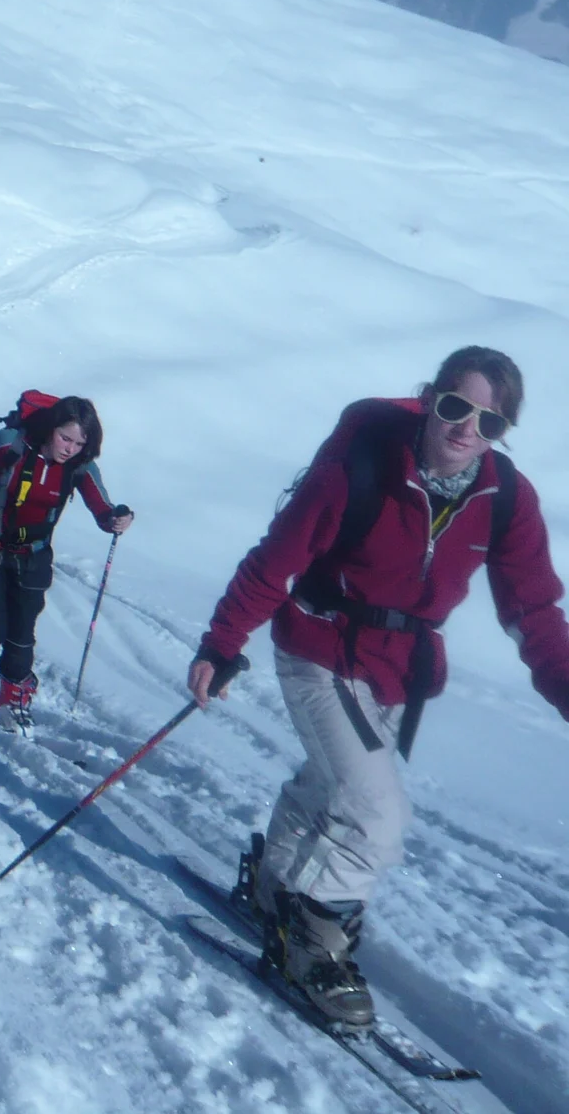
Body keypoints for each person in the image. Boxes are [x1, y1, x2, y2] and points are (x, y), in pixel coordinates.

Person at [188, 347, 569, 1027]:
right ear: (430, 400)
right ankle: (313, 941)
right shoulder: (356, 469)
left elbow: (534, 611)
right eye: (456, 407)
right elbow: (276, 562)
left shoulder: (506, 499)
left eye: (489, 421)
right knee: (375, 813)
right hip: (319, 648)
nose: (466, 429)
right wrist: (223, 641)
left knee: (329, 784)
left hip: (398, 672)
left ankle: (274, 889)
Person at [0, 395, 133, 734]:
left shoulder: (80, 466)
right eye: (66, 438)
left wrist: (116, 519)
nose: (71, 448)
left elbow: (101, 507)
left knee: (22, 634)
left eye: (80, 442)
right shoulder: (9, 445)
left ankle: (14, 697)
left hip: (33, 555)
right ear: (51, 428)